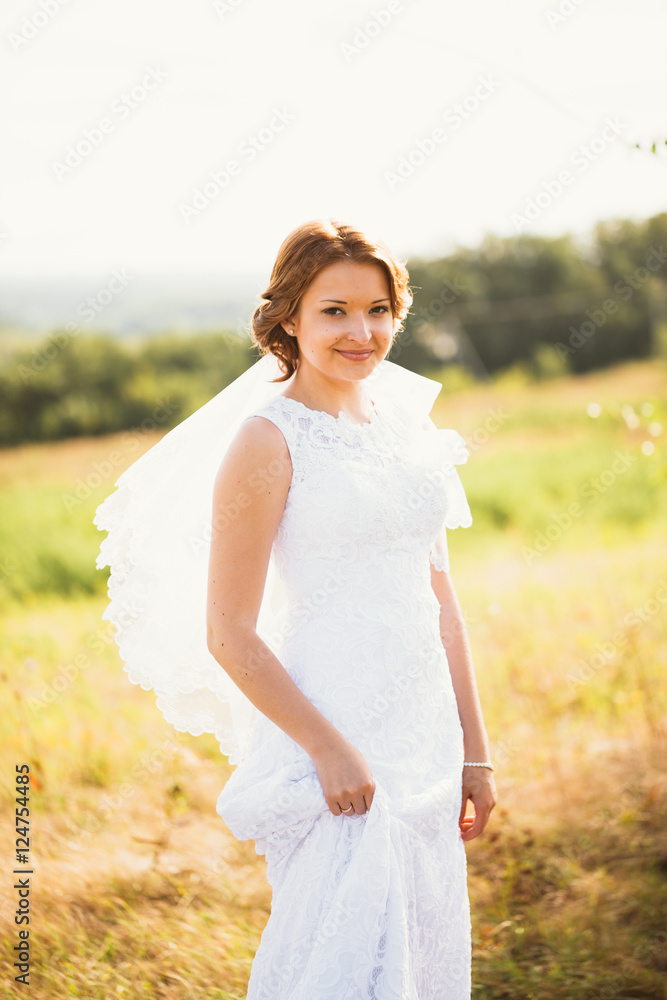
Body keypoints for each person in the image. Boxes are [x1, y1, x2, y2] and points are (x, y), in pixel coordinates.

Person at [206, 218, 497, 999]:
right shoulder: (267, 441)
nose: (360, 332)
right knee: (334, 954)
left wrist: (474, 752)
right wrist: (327, 749)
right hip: (335, 728)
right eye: (333, 311)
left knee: (420, 944)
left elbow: (441, 601)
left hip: (423, 733)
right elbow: (227, 632)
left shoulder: (407, 430)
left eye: (377, 310)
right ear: (288, 319)